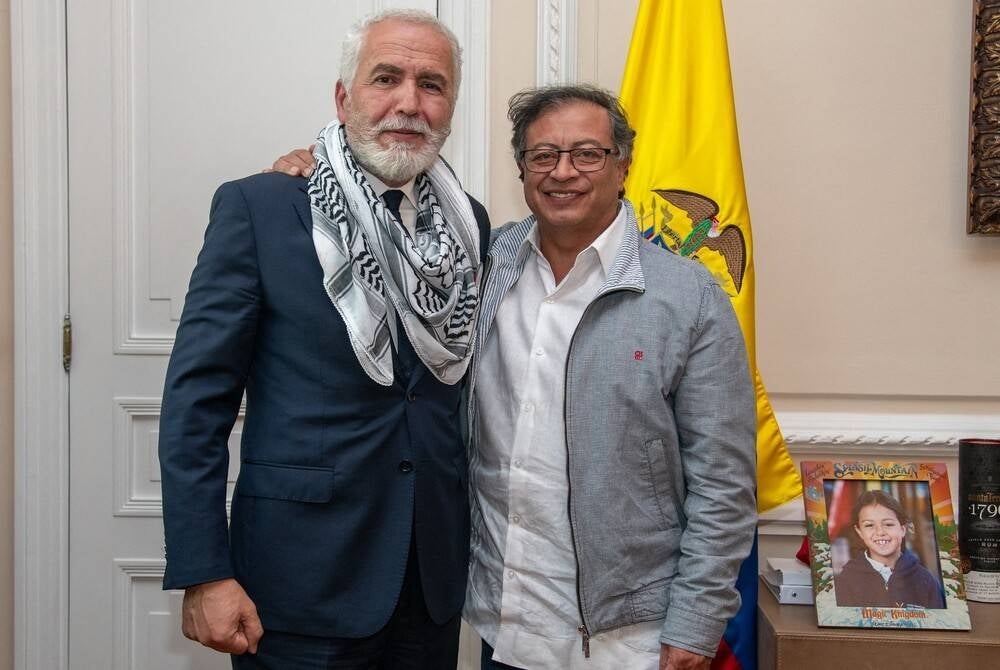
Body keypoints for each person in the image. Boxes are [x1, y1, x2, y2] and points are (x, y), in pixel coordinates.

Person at [271, 84, 757, 670]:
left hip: (632, 638)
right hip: (505, 625)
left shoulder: (688, 298)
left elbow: (724, 485)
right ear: (522, 169)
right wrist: (320, 167)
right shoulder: (475, 267)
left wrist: (697, 623)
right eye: (542, 155)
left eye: (587, 154)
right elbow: (381, 244)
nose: (563, 172)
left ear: (624, 165)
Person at [158, 9, 490, 669]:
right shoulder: (261, 208)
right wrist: (204, 570)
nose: (408, 102)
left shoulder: (469, 223)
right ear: (344, 98)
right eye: (386, 78)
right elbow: (197, 403)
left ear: (450, 104)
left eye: (432, 84)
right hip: (297, 580)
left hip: (429, 583)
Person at [834, 490, 946, 609]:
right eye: (869, 525)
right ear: (859, 532)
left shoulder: (926, 580)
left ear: (903, 529)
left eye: (888, 524)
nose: (880, 532)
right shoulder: (846, 580)